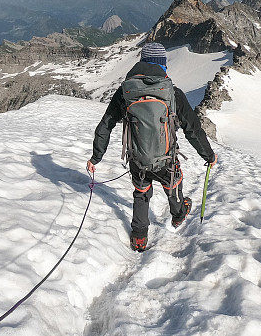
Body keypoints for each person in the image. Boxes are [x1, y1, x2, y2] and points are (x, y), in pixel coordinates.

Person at [86, 42, 217, 252]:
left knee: (141, 193)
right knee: (173, 184)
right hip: (167, 158)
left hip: (138, 159)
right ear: (162, 65)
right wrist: (208, 155)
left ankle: (139, 236)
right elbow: (193, 129)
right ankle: (178, 214)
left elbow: (105, 125)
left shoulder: (125, 93)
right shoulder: (173, 94)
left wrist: (96, 158)